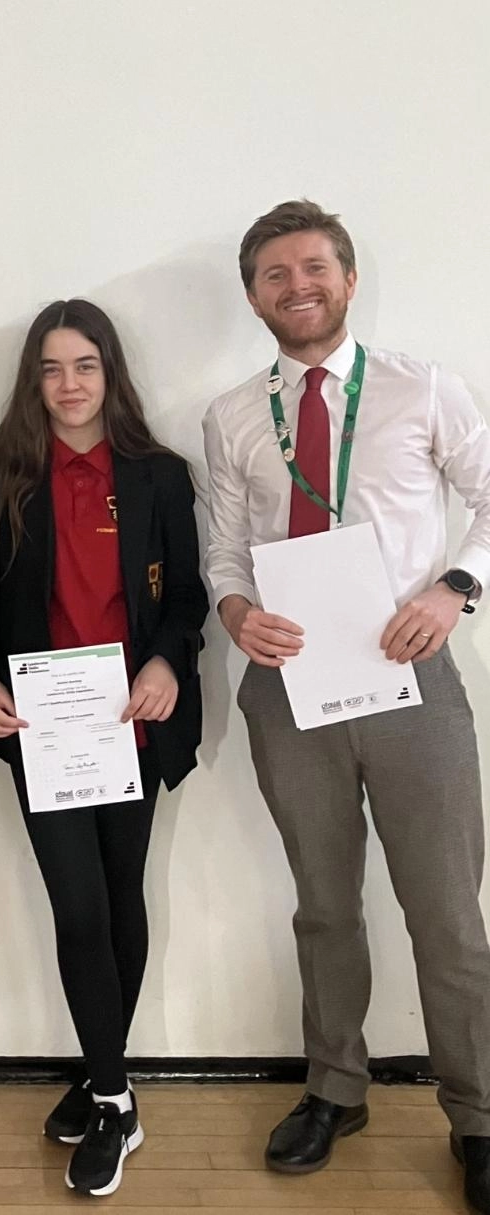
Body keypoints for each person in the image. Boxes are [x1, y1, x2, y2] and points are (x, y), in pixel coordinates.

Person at [203, 199, 490, 1212]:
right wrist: (234, 608)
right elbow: (225, 546)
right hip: (289, 685)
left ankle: (480, 1115)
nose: (297, 287)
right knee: (325, 905)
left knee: (447, 913)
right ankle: (335, 1087)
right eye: (275, 275)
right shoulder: (235, 415)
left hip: (410, 676)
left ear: (349, 278)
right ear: (253, 296)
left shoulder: (422, 388)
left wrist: (455, 588)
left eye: (313, 267)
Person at [0, 299, 207, 1196]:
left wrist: (166, 662)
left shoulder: (157, 474)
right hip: (41, 726)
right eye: (51, 369)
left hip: (130, 719)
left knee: (118, 894)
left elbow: (186, 596)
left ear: (111, 373)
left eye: (84, 366)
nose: (68, 386)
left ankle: (105, 1083)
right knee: (77, 907)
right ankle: (113, 1092)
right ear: (32, 380)